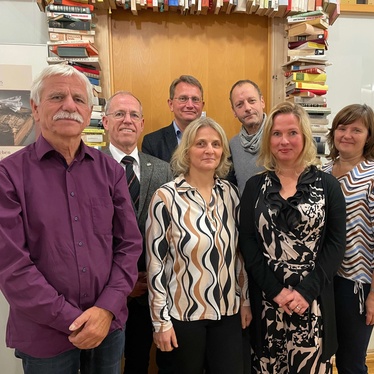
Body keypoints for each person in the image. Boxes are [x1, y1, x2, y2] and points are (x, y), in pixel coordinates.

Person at [0, 64, 142, 374]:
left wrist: (105, 309)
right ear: (35, 109)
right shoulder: (8, 176)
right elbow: (11, 266)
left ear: (89, 111)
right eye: (57, 97)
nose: (69, 106)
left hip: (108, 327)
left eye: (78, 99)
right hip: (45, 334)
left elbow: (129, 245)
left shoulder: (110, 171)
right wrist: (74, 320)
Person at [239, 101, 347, 374]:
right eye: (276, 134)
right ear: (268, 139)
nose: (284, 141)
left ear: (305, 137)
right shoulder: (254, 187)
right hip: (267, 302)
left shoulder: (328, 186)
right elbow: (248, 243)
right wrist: (276, 292)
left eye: (292, 133)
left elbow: (335, 245)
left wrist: (305, 292)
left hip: (313, 303)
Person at [145, 117, 252, 374]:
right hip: (183, 315)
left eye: (216, 144)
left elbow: (239, 254)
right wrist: (161, 323)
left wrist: (245, 300)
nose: (209, 150)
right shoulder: (165, 197)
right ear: (187, 150)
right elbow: (155, 265)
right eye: (200, 143)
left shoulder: (231, 194)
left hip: (227, 312)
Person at [322, 104, 374, 374]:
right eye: (342, 128)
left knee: (350, 362)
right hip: (322, 280)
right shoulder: (322, 171)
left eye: (357, 130)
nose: (347, 135)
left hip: (356, 285)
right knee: (321, 357)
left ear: (369, 136)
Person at [102, 91, 173, 374]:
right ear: (105, 122)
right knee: (101, 363)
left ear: (142, 123)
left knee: (139, 362)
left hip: (149, 289)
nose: (127, 120)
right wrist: (120, 284)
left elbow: (170, 233)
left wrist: (151, 280)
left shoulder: (164, 171)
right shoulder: (90, 165)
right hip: (102, 292)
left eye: (133, 115)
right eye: (119, 114)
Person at [141, 75, 204, 162]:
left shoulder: (215, 141)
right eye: (183, 99)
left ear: (202, 105)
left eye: (195, 99)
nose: (190, 105)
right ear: (171, 104)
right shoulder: (152, 142)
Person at [228, 80, 267, 195]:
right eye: (239, 104)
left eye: (252, 101)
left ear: (262, 102)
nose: (247, 108)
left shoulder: (279, 137)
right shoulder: (233, 145)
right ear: (234, 111)